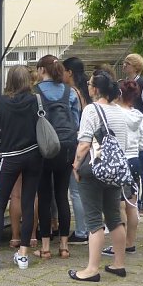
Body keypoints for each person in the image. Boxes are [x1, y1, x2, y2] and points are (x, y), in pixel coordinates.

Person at [0, 65, 42, 271]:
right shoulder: (35, 100)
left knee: (0, 202)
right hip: (34, 155)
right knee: (28, 204)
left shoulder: (1, 102)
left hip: (11, 157)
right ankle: (23, 255)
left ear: (9, 80)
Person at [69, 71, 137, 281]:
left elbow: (84, 144)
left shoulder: (91, 110)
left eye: (90, 83)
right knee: (115, 218)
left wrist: (75, 166)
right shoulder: (119, 112)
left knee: (93, 220)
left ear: (95, 89)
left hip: (93, 170)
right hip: (114, 171)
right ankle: (118, 264)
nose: (88, 86)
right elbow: (122, 144)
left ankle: (92, 269)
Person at [33, 55, 80, 259]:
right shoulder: (71, 92)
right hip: (68, 146)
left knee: (44, 196)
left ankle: (44, 247)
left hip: (45, 147)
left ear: (42, 70)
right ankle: (63, 246)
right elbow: (76, 122)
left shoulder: (35, 93)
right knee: (62, 195)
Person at [102, 79, 143, 257]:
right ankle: (130, 242)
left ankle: (118, 245)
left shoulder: (114, 113)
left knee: (118, 205)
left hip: (119, 161)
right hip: (134, 160)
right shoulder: (138, 115)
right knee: (132, 204)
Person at [122, 53, 143, 215]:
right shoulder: (126, 84)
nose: (123, 66)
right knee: (133, 166)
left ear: (135, 66)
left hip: (141, 131)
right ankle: (134, 198)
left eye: (126, 63)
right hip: (129, 130)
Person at [62, 56, 90, 245]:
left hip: (76, 143)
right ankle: (87, 227)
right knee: (82, 190)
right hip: (85, 141)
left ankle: (82, 231)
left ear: (69, 72)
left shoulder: (72, 92)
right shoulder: (85, 91)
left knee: (76, 190)